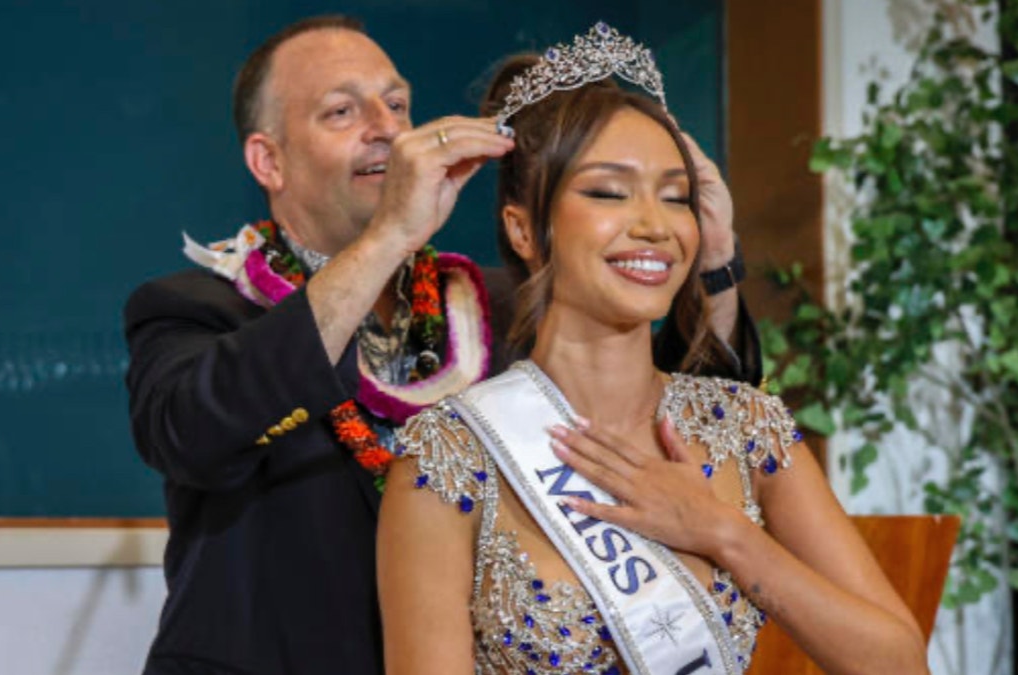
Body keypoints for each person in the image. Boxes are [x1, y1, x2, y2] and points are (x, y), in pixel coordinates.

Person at [124, 15, 758, 675]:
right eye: (342, 111)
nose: (386, 127)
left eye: (396, 103)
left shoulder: (498, 306)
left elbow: (698, 431)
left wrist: (713, 265)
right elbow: (193, 432)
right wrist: (388, 236)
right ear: (268, 160)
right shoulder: (192, 309)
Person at [378, 24, 929, 675]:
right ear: (524, 227)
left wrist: (723, 532)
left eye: (676, 197)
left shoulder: (745, 428)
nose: (654, 225)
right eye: (609, 192)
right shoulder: (449, 458)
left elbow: (899, 662)